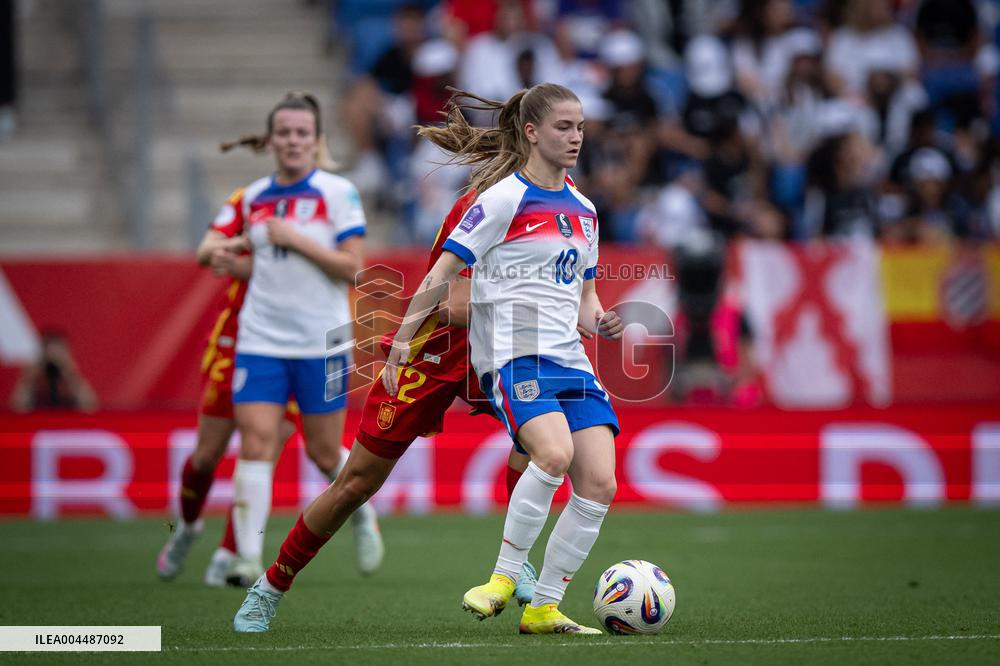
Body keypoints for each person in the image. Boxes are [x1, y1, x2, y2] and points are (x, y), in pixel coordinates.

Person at [231, 83, 621, 635]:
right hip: (440, 351)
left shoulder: (572, 204)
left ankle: (520, 572)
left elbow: (578, 290)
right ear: (529, 136)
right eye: (563, 128)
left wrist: (575, 314)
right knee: (357, 482)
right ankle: (272, 583)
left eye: (578, 128)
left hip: (514, 352)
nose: (574, 139)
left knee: (544, 449)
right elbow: (453, 303)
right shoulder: (489, 203)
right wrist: (523, 298)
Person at [220, 92, 384, 587]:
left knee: (323, 452)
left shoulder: (338, 192)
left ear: (316, 140)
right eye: (284, 133)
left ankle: (361, 513)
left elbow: (353, 268)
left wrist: (297, 240)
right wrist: (233, 262)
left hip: (322, 340)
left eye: (302, 133)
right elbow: (266, 267)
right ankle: (248, 558)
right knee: (256, 442)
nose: (292, 141)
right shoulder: (253, 196)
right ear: (270, 140)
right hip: (260, 338)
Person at [8, 329, 98, 412]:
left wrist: (69, 371)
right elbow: (17, 408)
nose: (53, 357)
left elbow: (90, 407)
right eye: (47, 351)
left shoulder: (71, 376)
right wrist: (30, 376)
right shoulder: (34, 376)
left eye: (59, 351)